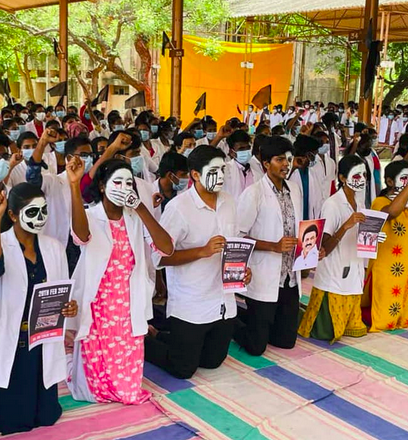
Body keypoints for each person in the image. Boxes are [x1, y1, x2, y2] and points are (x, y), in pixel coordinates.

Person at [0, 177, 80, 435]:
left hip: (42, 335)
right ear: (12, 214)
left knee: (46, 416)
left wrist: (69, 308)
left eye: (44, 211)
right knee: (12, 421)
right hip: (10, 335)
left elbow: (62, 290)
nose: (41, 217)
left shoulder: (53, 247)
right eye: (33, 212)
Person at [68, 159, 173, 403]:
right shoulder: (91, 216)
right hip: (97, 300)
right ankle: (96, 386)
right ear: (103, 187)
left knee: (128, 385)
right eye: (118, 182)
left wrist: (141, 208)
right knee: (96, 355)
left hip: (128, 298)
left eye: (129, 183)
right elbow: (81, 236)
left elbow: (166, 248)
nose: (124, 188)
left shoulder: (135, 218)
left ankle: (122, 386)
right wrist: (74, 186)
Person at [145, 146, 251, 379]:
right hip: (191, 303)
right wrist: (201, 252)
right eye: (214, 171)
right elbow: (159, 257)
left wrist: (243, 269)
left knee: (212, 362)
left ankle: (163, 336)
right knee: (183, 369)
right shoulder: (179, 208)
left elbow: (234, 245)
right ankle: (141, 342)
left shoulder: (229, 202)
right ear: (195, 174)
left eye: (223, 170)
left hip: (223, 300)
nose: (221, 177)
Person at [234, 136, 305, 355]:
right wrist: (272, 246)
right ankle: (230, 322)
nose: (287, 164)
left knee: (285, 342)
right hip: (264, 274)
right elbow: (237, 237)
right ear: (266, 163)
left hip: (289, 277)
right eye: (280, 159)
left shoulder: (294, 188)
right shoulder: (253, 193)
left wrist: (309, 250)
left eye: (289, 159)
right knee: (256, 348)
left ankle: (255, 319)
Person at [298, 155, 368, 343]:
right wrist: (345, 226)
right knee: (325, 332)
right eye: (356, 176)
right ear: (343, 178)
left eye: (363, 175)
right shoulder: (332, 204)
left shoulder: (359, 202)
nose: (361, 180)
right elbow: (323, 246)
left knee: (355, 329)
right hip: (334, 272)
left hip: (354, 267)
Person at [362, 161, 408, 331]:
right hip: (388, 267)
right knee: (386, 314)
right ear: (389, 182)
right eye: (404, 178)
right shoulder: (379, 202)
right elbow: (392, 212)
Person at [289, 134, 324, 220]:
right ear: (306, 154)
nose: (314, 159)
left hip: (308, 221)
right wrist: (293, 168)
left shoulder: (311, 172)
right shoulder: (290, 169)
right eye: (313, 155)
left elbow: (318, 200)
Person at [153, 151, 189, 218]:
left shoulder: (186, 191)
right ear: (170, 175)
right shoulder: (150, 192)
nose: (187, 178)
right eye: (183, 174)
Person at [223, 129, 254, 201]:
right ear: (232, 152)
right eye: (241, 149)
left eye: (248, 148)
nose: (246, 151)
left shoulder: (256, 168)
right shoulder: (225, 170)